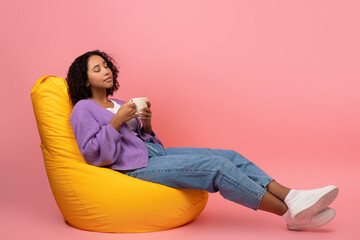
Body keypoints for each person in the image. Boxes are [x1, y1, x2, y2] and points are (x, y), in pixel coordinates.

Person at [66, 50, 339, 231]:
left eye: (105, 66)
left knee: (229, 155)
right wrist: (116, 122)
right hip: (134, 168)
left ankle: (294, 196)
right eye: (96, 68)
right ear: (85, 79)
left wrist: (145, 122)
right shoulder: (83, 110)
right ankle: (290, 214)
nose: (105, 71)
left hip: (154, 155)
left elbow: (148, 142)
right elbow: (94, 155)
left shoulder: (120, 102)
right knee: (215, 168)